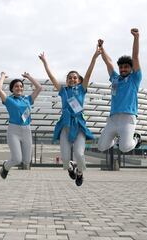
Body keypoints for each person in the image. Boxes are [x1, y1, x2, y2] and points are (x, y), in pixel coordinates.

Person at [38, 44, 100, 186]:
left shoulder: (82, 89)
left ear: (79, 80)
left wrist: (95, 57)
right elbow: (51, 76)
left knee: (79, 154)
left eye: (75, 78)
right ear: (66, 80)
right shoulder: (63, 91)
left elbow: (89, 73)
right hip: (65, 125)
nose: (72, 79)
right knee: (65, 159)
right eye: (70, 78)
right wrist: (45, 62)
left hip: (78, 125)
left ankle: (80, 172)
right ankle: (70, 167)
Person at [97, 28, 142, 153]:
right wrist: (101, 48)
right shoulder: (115, 78)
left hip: (128, 118)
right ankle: (116, 140)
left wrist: (136, 38)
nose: (123, 69)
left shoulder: (134, 78)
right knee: (101, 147)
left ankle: (137, 139)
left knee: (125, 147)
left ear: (131, 68)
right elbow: (109, 62)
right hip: (113, 118)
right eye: (121, 67)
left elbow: (135, 58)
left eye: (126, 67)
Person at [0, 72, 42, 179]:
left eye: (21, 86)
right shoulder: (9, 100)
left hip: (26, 130)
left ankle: (11, 164)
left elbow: (39, 87)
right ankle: (5, 167)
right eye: (16, 86)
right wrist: (3, 76)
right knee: (17, 159)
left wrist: (29, 77)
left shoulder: (27, 100)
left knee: (26, 161)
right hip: (14, 130)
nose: (19, 88)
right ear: (12, 89)